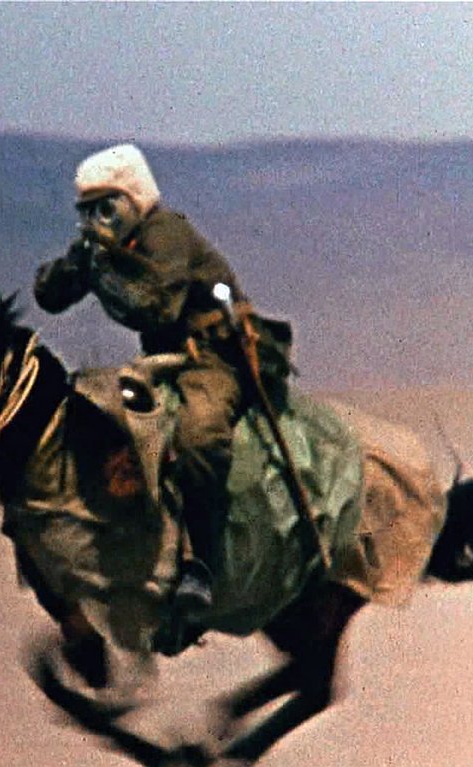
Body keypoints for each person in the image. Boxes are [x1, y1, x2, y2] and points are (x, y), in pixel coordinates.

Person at [34, 143, 291, 630]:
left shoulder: (166, 233)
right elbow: (49, 295)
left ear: (133, 200)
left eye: (105, 208)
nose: (97, 221)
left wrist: (100, 267)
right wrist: (76, 265)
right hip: (163, 361)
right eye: (87, 212)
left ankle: (204, 567)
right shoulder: (109, 247)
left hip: (212, 358)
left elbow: (156, 307)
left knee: (199, 436)